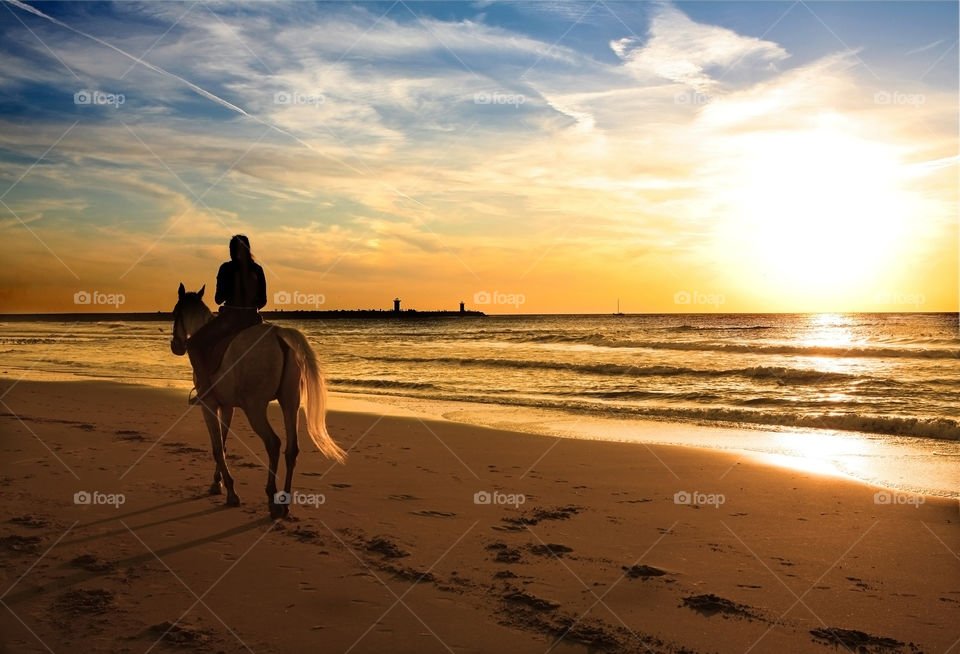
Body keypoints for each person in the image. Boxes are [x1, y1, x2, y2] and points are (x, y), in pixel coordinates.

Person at [187, 234, 267, 403]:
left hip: (230, 320)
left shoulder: (226, 268)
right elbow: (263, 301)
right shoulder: (257, 269)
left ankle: (205, 388)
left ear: (231, 251)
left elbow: (218, 299)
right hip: (254, 320)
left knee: (193, 344)